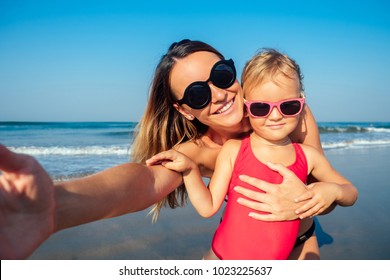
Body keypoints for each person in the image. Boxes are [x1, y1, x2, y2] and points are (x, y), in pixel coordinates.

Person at [0, 39, 352, 260]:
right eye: (198, 94)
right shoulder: (199, 151)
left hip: (299, 242)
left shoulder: (292, 113)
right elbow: (144, 181)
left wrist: (324, 190)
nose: (218, 93)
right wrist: (57, 205)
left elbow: (325, 189)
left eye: (221, 74)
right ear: (186, 109)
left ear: (235, 71)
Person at [146, 49, 358, 260]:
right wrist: (190, 170)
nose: (275, 116)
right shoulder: (234, 150)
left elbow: (350, 192)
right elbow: (207, 207)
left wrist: (331, 191)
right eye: (260, 108)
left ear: (301, 104)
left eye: (289, 106)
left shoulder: (309, 156)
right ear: (247, 107)